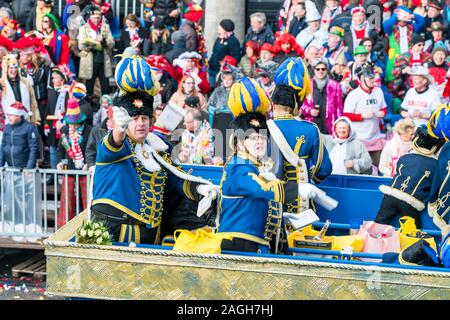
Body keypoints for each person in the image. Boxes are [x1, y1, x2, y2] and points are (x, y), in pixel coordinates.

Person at [92, 56, 218, 244]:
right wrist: (119, 128)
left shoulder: (157, 148)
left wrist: (200, 188)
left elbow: (175, 180)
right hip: (119, 234)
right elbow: (112, 145)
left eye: (144, 118)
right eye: (134, 119)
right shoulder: (119, 145)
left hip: (152, 235)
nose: (141, 123)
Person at [219, 78, 297, 253]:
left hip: (255, 245)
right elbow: (261, 189)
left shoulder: (256, 167)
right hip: (238, 245)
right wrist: (300, 190)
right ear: (239, 142)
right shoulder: (238, 166)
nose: (259, 142)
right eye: (253, 138)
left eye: (262, 137)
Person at [270, 58, 333, 214]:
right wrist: (307, 178)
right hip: (299, 204)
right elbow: (324, 168)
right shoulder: (310, 130)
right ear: (295, 106)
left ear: (273, 104)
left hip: (268, 203)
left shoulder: (260, 129)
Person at [376, 125, 445, 229]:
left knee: (378, 225)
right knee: (413, 233)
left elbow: (397, 171)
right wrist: (432, 207)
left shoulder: (405, 157)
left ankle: (372, 243)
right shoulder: (435, 165)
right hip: (411, 201)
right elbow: (435, 187)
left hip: (390, 195)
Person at [0, 101, 41, 241]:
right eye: (8, 114)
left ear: (19, 116)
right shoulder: (7, 128)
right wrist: (1, 166)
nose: (9, 117)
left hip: (24, 170)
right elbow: (3, 146)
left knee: (26, 199)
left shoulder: (29, 128)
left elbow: (33, 148)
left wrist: (29, 168)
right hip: (10, 169)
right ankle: (12, 224)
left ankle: (30, 225)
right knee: (10, 199)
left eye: (12, 114)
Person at [56, 98, 92, 229]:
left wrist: (88, 163)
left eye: (76, 123)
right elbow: (60, 149)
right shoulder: (65, 130)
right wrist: (60, 162)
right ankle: (64, 229)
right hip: (69, 169)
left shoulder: (89, 130)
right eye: (71, 123)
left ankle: (89, 228)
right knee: (67, 201)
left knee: (87, 200)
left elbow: (91, 149)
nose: (73, 126)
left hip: (84, 171)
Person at [343, 62, 387, 167]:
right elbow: (346, 116)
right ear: (361, 79)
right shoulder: (354, 95)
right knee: (361, 168)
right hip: (359, 138)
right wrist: (361, 116)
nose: (373, 80)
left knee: (377, 167)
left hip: (375, 137)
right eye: (370, 78)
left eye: (374, 78)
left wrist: (382, 113)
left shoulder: (378, 91)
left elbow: (384, 109)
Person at [78, 6, 114, 98]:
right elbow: (80, 45)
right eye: (94, 17)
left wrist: (104, 41)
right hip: (90, 61)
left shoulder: (105, 27)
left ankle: (106, 106)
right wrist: (91, 43)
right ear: (90, 17)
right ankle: (89, 106)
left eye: (98, 17)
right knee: (89, 86)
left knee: (105, 86)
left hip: (103, 61)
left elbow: (112, 43)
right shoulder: (84, 28)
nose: (96, 20)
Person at [384, 6, 426, 84]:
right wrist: (397, 15)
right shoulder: (391, 28)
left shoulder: (412, 27)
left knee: (409, 81)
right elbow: (386, 24)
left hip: (408, 59)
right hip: (394, 59)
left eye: (405, 16)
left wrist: (412, 15)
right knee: (392, 81)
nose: (403, 20)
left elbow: (422, 22)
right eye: (402, 16)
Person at [302, 59, 343, 135]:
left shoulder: (335, 85)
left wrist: (339, 125)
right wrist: (309, 111)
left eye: (323, 69)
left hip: (330, 127)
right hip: (311, 125)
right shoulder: (306, 85)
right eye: (318, 69)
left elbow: (339, 108)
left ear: (327, 70)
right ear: (314, 70)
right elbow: (301, 106)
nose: (320, 71)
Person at [0, 54, 41, 126]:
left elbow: (33, 102)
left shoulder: (25, 82)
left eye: (15, 67)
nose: (14, 70)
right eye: (11, 68)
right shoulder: (2, 84)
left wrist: (35, 118)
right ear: (6, 69)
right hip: (7, 124)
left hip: (25, 121)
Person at [390, 35, 432, 102]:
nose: (422, 47)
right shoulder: (403, 56)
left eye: (423, 45)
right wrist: (403, 70)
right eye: (419, 45)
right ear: (412, 45)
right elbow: (394, 72)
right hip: (406, 85)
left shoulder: (427, 56)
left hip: (423, 83)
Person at [208, 19, 241, 88]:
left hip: (222, 72)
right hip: (212, 69)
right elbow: (214, 52)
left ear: (224, 28)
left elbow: (235, 57)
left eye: (220, 27)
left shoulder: (233, 41)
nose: (218, 28)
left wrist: (225, 65)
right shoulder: (219, 39)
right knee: (211, 89)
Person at [86, 104, 113, 169]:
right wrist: (91, 166)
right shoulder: (96, 130)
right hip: (100, 168)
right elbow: (90, 150)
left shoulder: (124, 130)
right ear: (109, 117)